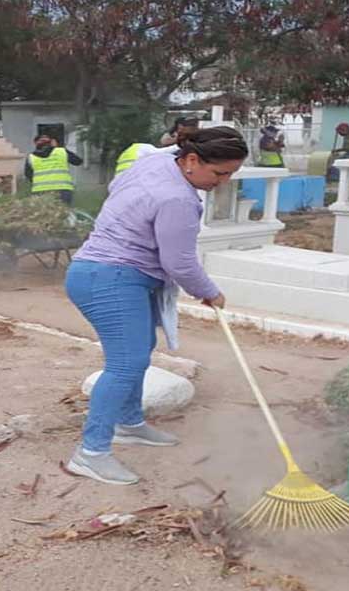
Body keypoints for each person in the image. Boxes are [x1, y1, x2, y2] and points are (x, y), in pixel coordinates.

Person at [63, 127, 247, 485]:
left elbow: (148, 164)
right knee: (125, 363)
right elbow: (178, 262)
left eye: (230, 174)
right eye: (219, 173)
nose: (222, 182)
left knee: (138, 353)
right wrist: (209, 291)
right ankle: (90, 453)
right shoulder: (177, 197)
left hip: (108, 272)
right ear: (192, 160)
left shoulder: (156, 161)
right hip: (111, 277)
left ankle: (128, 424)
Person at [24, 134, 82, 204]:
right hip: (62, 189)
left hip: (40, 190)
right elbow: (78, 161)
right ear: (52, 142)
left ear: (36, 144)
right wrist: (58, 148)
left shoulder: (31, 157)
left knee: (43, 213)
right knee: (63, 212)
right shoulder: (61, 152)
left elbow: (28, 174)